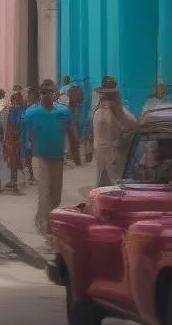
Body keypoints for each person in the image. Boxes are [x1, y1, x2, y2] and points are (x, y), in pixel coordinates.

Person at [22, 78, 80, 240]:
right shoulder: (32, 112)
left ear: (55, 93)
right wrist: (23, 155)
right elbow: (25, 135)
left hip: (57, 157)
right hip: (39, 157)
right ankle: (46, 228)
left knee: (56, 195)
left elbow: (71, 131)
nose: (48, 95)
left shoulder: (63, 112)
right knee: (45, 192)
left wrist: (75, 154)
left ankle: (41, 218)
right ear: (40, 94)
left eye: (51, 91)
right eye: (45, 92)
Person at [93, 81, 136, 187]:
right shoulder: (113, 108)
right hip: (112, 154)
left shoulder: (99, 109)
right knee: (115, 184)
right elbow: (132, 125)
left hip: (103, 153)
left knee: (105, 184)